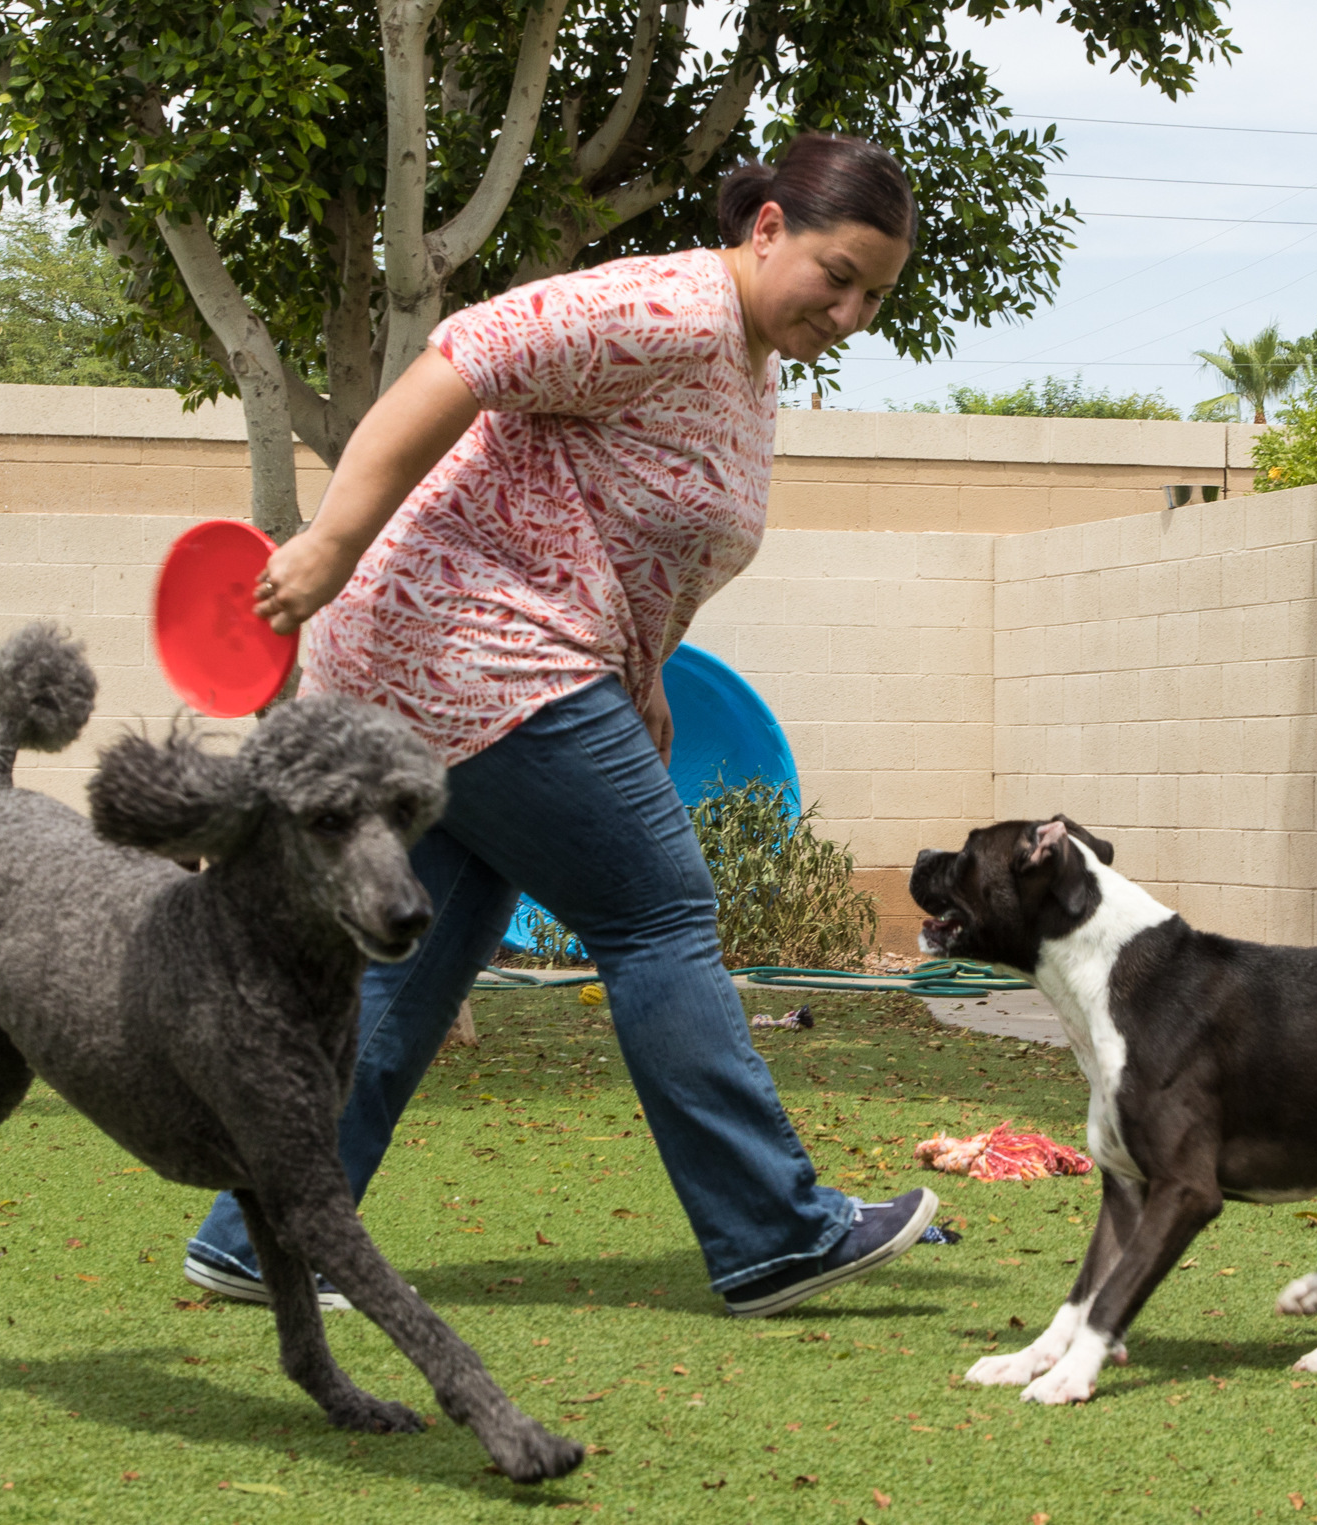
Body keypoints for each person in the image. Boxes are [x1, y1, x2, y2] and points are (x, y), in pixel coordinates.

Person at [179, 133, 934, 1318]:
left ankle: (265, 1234)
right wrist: (330, 539)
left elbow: (624, 522)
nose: (848, 314)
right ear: (768, 228)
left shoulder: (745, 360)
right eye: (836, 276)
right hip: (471, 647)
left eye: (875, 298)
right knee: (658, 909)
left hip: (487, 660)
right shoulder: (667, 308)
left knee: (416, 958)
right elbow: (461, 356)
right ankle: (777, 1233)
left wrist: (646, 674)